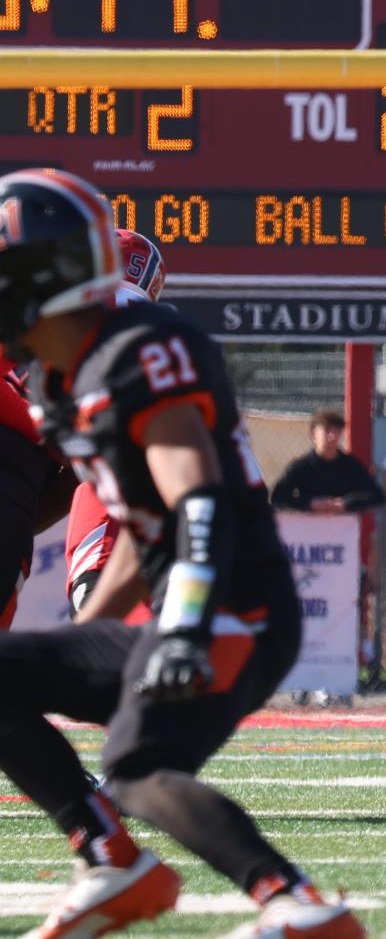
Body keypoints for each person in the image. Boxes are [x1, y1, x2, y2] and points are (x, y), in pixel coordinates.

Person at [0, 169, 363, 938]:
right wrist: (77, 635)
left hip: (239, 609)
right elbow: (144, 520)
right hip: (196, 600)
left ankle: (293, 904)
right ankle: (113, 862)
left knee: (134, 770)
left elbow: (194, 498)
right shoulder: (65, 382)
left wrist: (189, 623)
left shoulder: (133, 350)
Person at [66, 229, 168, 615]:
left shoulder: (78, 314)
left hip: (121, 479)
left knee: (95, 618)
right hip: (210, 498)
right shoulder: (170, 330)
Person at [272, 409, 386, 516]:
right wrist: (310, 504)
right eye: (327, 430)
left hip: (344, 531)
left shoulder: (351, 465)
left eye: (337, 431)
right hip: (307, 531)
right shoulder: (301, 466)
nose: (332, 436)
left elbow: (377, 496)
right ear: (313, 434)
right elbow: (278, 497)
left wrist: (347, 503)